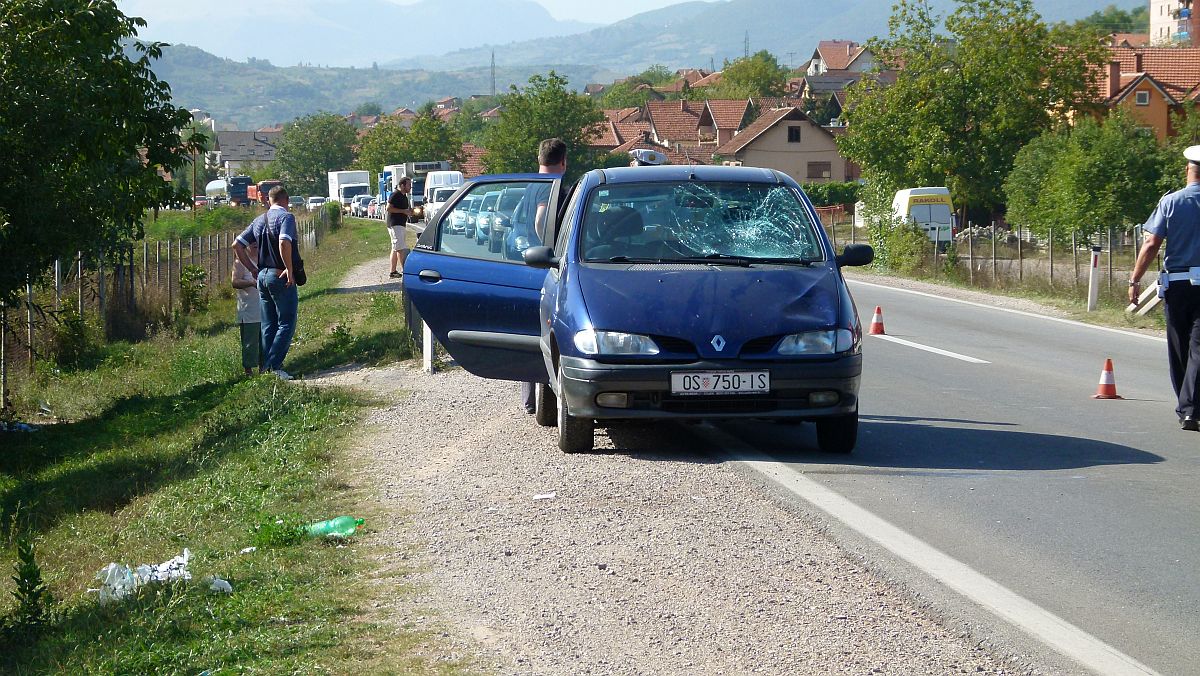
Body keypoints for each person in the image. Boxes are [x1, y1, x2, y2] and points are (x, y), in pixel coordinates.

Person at [1129, 145, 1200, 431]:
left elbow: (1151, 243)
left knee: (1180, 347)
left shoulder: (1171, 202)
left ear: (1187, 170)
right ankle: (1190, 407)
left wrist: (1135, 280)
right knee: (1197, 348)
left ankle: (1189, 407)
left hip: (1178, 284)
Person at [233, 185, 299, 380]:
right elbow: (284, 242)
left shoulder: (259, 220)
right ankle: (274, 366)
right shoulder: (286, 217)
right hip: (278, 274)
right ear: (286, 200)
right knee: (286, 322)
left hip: (261, 276)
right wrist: (289, 268)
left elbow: (237, 244)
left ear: (269, 200)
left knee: (268, 323)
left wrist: (253, 269)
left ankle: (264, 369)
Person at [521, 138, 567, 414]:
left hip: (527, 265)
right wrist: (551, 251)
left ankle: (528, 399)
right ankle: (541, 400)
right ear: (563, 161)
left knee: (531, 335)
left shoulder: (528, 186)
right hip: (545, 267)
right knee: (548, 332)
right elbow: (541, 220)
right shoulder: (552, 188)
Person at [231, 242, 262, 376]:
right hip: (249, 308)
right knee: (250, 340)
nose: (255, 244)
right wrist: (251, 283)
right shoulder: (240, 262)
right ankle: (248, 371)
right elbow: (235, 282)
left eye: (257, 241)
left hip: (264, 307)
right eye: (251, 242)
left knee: (265, 339)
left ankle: (265, 367)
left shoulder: (264, 259)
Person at [387, 176, 415, 278]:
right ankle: (405, 271)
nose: (410, 187)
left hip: (401, 224)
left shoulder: (404, 197)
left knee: (395, 248)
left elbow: (405, 210)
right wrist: (403, 211)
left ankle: (393, 271)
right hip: (395, 224)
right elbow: (389, 208)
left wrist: (409, 212)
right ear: (402, 185)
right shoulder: (395, 195)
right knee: (400, 248)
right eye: (408, 185)